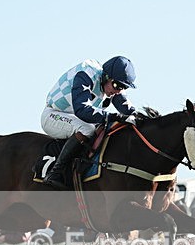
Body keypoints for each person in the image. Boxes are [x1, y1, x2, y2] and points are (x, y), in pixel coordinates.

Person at [41, 56, 138, 189]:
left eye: (123, 88)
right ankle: (55, 172)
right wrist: (113, 116)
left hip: (75, 118)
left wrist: (139, 118)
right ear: (106, 77)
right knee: (88, 129)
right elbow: (82, 110)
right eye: (117, 85)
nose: (118, 91)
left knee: (104, 128)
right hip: (53, 115)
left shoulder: (112, 85)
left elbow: (127, 109)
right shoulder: (86, 74)